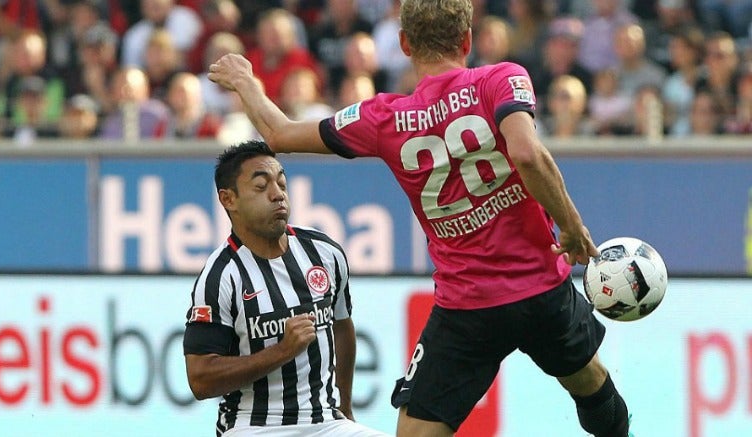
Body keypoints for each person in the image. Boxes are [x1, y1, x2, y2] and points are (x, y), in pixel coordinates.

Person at [207, 1, 631, 436]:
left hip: (467, 309)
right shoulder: (502, 79)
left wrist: (245, 82)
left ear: (405, 44)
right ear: (467, 39)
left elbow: (278, 134)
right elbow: (526, 153)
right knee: (590, 385)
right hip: (543, 290)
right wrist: (572, 226)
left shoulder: (382, 117)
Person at [183, 141, 390, 437]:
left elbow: (342, 326)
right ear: (229, 199)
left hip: (327, 423)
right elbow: (200, 380)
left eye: (281, 182)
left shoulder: (324, 252)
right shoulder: (221, 275)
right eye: (261, 186)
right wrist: (282, 350)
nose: (277, 194)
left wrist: (344, 406)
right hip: (253, 427)